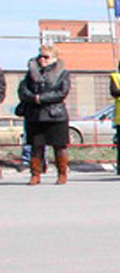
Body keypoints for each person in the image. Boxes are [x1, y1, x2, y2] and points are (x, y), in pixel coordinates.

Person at [18, 44, 71, 185]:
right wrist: (33, 98)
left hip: (56, 115)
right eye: (40, 56)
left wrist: (41, 98)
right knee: (36, 146)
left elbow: (62, 92)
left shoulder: (63, 73)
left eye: (46, 57)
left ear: (54, 58)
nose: (42, 59)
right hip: (35, 115)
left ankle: (62, 173)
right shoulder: (30, 73)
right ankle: (35, 174)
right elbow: (23, 91)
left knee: (59, 146)